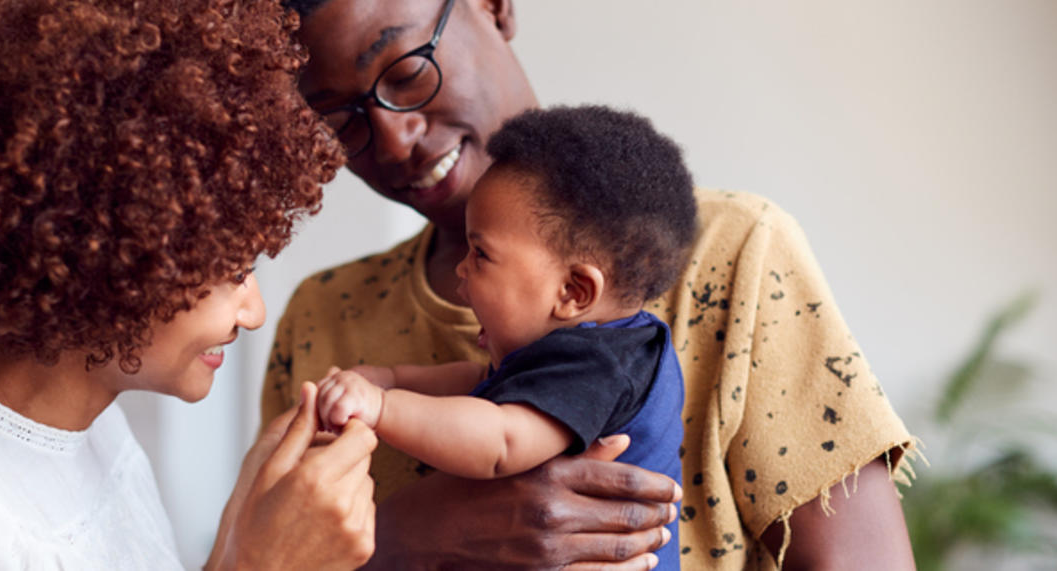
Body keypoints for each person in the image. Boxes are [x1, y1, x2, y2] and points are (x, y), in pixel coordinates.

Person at [261, 0, 920, 568]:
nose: (394, 135)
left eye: (406, 72)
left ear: (493, 6)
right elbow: (266, 552)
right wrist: (401, 536)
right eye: (339, 118)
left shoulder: (733, 250)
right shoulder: (319, 316)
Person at [0, 0, 377, 568]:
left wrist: (242, 528)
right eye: (234, 269)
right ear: (106, 249)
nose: (253, 312)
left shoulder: (97, 432)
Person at [313, 105, 692, 568]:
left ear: (573, 291)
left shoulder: (599, 365)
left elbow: (499, 442)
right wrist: (391, 377)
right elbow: (477, 384)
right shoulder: (599, 350)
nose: (461, 268)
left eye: (481, 253)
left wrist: (382, 407)